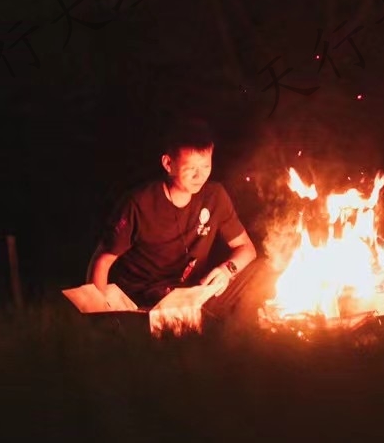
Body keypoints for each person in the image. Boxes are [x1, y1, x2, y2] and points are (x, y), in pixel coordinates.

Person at [86, 117, 275, 324]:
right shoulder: (139, 203)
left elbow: (246, 248)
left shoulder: (215, 196)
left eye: (205, 166)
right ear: (168, 164)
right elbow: (102, 261)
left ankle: (244, 332)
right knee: (165, 324)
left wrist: (226, 270)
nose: (199, 175)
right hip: (144, 298)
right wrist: (99, 315)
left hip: (192, 293)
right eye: (190, 168)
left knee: (265, 268)